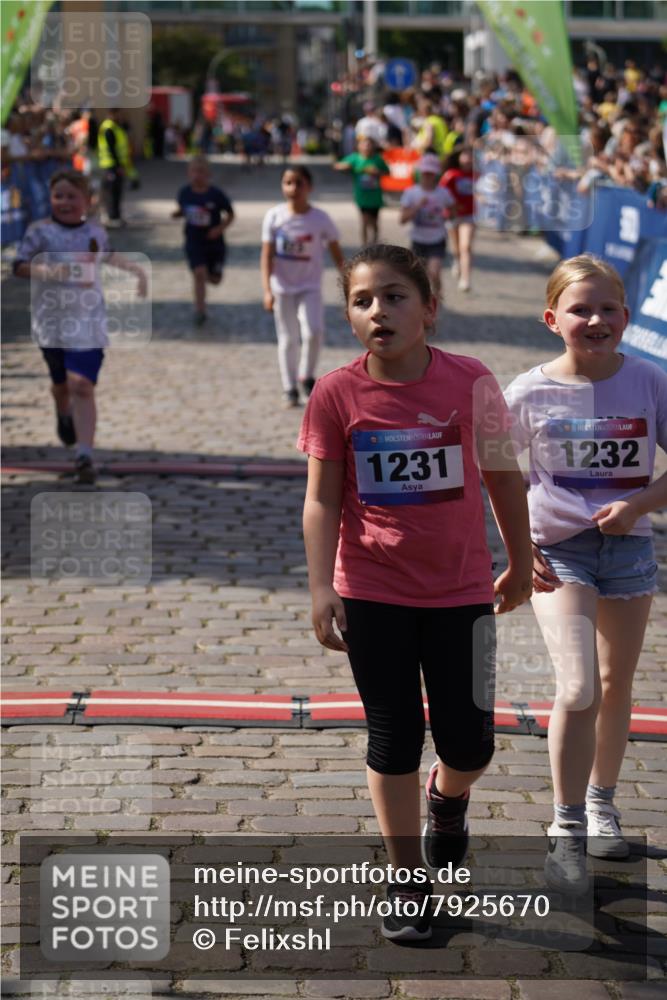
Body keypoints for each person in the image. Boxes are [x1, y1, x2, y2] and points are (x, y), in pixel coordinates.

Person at [299, 244, 533, 940]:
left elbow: (503, 476)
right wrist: (321, 586)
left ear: (429, 309)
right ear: (349, 317)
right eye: (362, 300)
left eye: (395, 296)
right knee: (393, 736)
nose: (379, 311)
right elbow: (321, 500)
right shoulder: (335, 393)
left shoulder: (472, 381)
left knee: (470, 745)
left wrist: (521, 562)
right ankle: (407, 880)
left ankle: (447, 796)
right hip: (372, 592)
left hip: (462, 592)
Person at [505, 255, 667, 895]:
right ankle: (566, 827)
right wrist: (518, 546)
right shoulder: (527, 392)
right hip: (557, 551)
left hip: (629, 551)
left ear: (626, 316)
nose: (595, 319)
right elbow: (491, 471)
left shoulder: (650, 380)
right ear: (552, 319)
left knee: (614, 683)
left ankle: (603, 804)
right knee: (577, 688)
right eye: (580, 309)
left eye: (607, 309)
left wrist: (638, 504)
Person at [13, 169, 147, 484]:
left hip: (88, 322)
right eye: (58, 196)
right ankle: (63, 411)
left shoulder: (95, 232)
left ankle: (84, 455)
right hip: (51, 323)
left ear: (87, 200)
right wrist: (46, 271)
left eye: (72, 196)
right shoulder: (40, 232)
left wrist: (137, 272)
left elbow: (108, 255)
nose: (64, 202)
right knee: (62, 386)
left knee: (82, 386)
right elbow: (18, 265)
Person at [261, 165, 344, 407]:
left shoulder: (320, 219)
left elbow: (336, 251)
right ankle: (289, 387)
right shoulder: (274, 216)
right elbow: (266, 255)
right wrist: (267, 290)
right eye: (288, 182)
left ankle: (306, 375)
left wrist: (349, 282)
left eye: (299, 183)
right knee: (288, 338)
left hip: (310, 286)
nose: (293, 188)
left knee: (314, 331)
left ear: (310, 187)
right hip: (282, 288)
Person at [172, 155, 235, 326]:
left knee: (215, 280)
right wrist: (178, 214)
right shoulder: (184, 193)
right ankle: (200, 310)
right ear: (188, 173)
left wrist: (219, 229)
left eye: (201, 172)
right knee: (199, 274)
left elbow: (231, 215)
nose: (197, 175)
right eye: (193, 171)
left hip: (214, 243)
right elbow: (184, 209)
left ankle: (209, 275)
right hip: (194, 241)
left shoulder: (216, 194)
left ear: (208, 174)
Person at [399, 152, 455, 300]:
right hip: (418, 239)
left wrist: (448, 215)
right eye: (425, 173)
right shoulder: (411, 193)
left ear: (436, 174)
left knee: (434, 272)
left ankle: (437, 295)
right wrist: (417, 206)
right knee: (419, 276)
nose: (428, 177)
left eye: (431, 173)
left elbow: (453, 211)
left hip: (437, 239)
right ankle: (423, 301)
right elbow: (402, 219)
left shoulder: (443, 193)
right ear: (420, 173)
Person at [334, 136, 390, 246]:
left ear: (373, 146)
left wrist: (377, 173)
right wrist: (347, 166)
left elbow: (387, 172)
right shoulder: (354, 158)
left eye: (369, 144)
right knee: (364, 221)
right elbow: (337, 166)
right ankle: (364, 245)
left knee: (374, 222)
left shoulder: (377, 159)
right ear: (358, 146)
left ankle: (375, 242)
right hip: (362, 197)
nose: (366, 147)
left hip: (375, 197)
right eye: (364, 144)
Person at [440, 146, 475, 292]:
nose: (468, 159)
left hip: (469, 216)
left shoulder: (477, 175)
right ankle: (457, 260)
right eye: (465, 155)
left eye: (471, 156)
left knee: (465, 246)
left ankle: (465, 279)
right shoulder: (451, 175)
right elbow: (441, 193)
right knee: (456, 248)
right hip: (453, 215)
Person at [97, 108, 138, 227]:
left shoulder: (116, 127)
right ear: (112, 114)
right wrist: (118, 165)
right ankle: (112, 217)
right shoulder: (108, 128)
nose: (120, 116)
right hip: (111, 165)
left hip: (116, 164)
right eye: (119, 114)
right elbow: (111, 148)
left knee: (117, 191)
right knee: (112, 192)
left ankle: (116, 216)